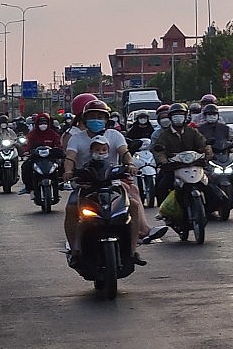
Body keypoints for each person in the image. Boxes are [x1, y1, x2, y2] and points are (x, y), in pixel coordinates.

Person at [62, 100, 165, 267]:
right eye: (92, 116)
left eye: (100, 116)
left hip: (113, 184)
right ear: (85, 119)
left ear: (106, 119)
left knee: (132, 205)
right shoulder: (76, 138)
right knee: (71, 208)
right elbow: (70, 157)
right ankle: (75, 250)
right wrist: (68, 171)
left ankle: (132, 251)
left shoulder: (115, 135)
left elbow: (124, 153)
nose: (96, 119)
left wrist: (130, 165)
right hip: (85, 185)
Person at [151, 103, 213, 214]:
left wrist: (207, 154)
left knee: (211, 182)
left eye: (181, 115)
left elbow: (203, 144)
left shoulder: (192, 132)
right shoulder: (164, 135)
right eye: (175, 115)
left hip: (194, 165)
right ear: (170, 118)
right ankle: (164, 212)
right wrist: (163, 161)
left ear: (185, 117)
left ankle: (214, 207)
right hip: (174, 167)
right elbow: (158, 150)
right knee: (161, 185)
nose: (178, 118)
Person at [19, 112, 63, 195]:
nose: (43, 125)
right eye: (41, 123)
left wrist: (58, 149)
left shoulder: (53, 134)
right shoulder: (32, 134)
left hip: (50, 157)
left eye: (45, 123)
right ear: (37, 124)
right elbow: (27, 145)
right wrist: (26, 151)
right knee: (25, 166)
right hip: (36, 157)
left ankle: (63, 183)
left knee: (61, 164)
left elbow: (58, 144)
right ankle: (28, 187)